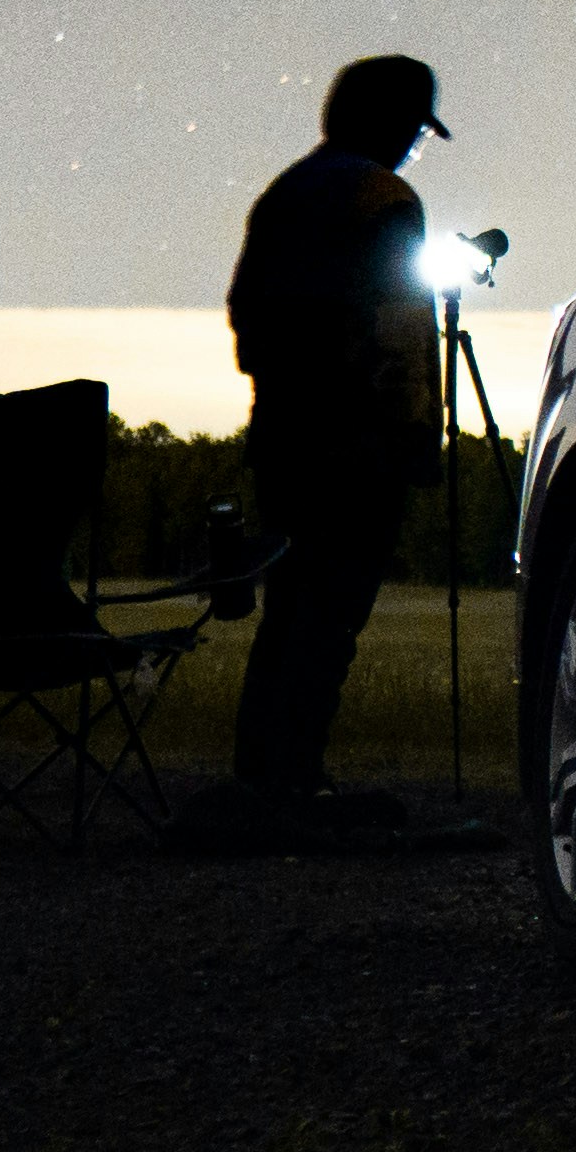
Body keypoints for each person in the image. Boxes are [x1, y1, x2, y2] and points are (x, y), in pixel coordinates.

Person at [207, 50, 456, 844]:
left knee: (291, 610)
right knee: (331, 616)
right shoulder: (381, 198)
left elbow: (246, 308)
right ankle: (296, 783)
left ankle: (262, 780)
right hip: (359, 447)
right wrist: (414, 431)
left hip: (284, 435)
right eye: (414, 128)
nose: (415, 145)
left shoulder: (285, 193)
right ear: (389, 120)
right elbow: (397, 321)